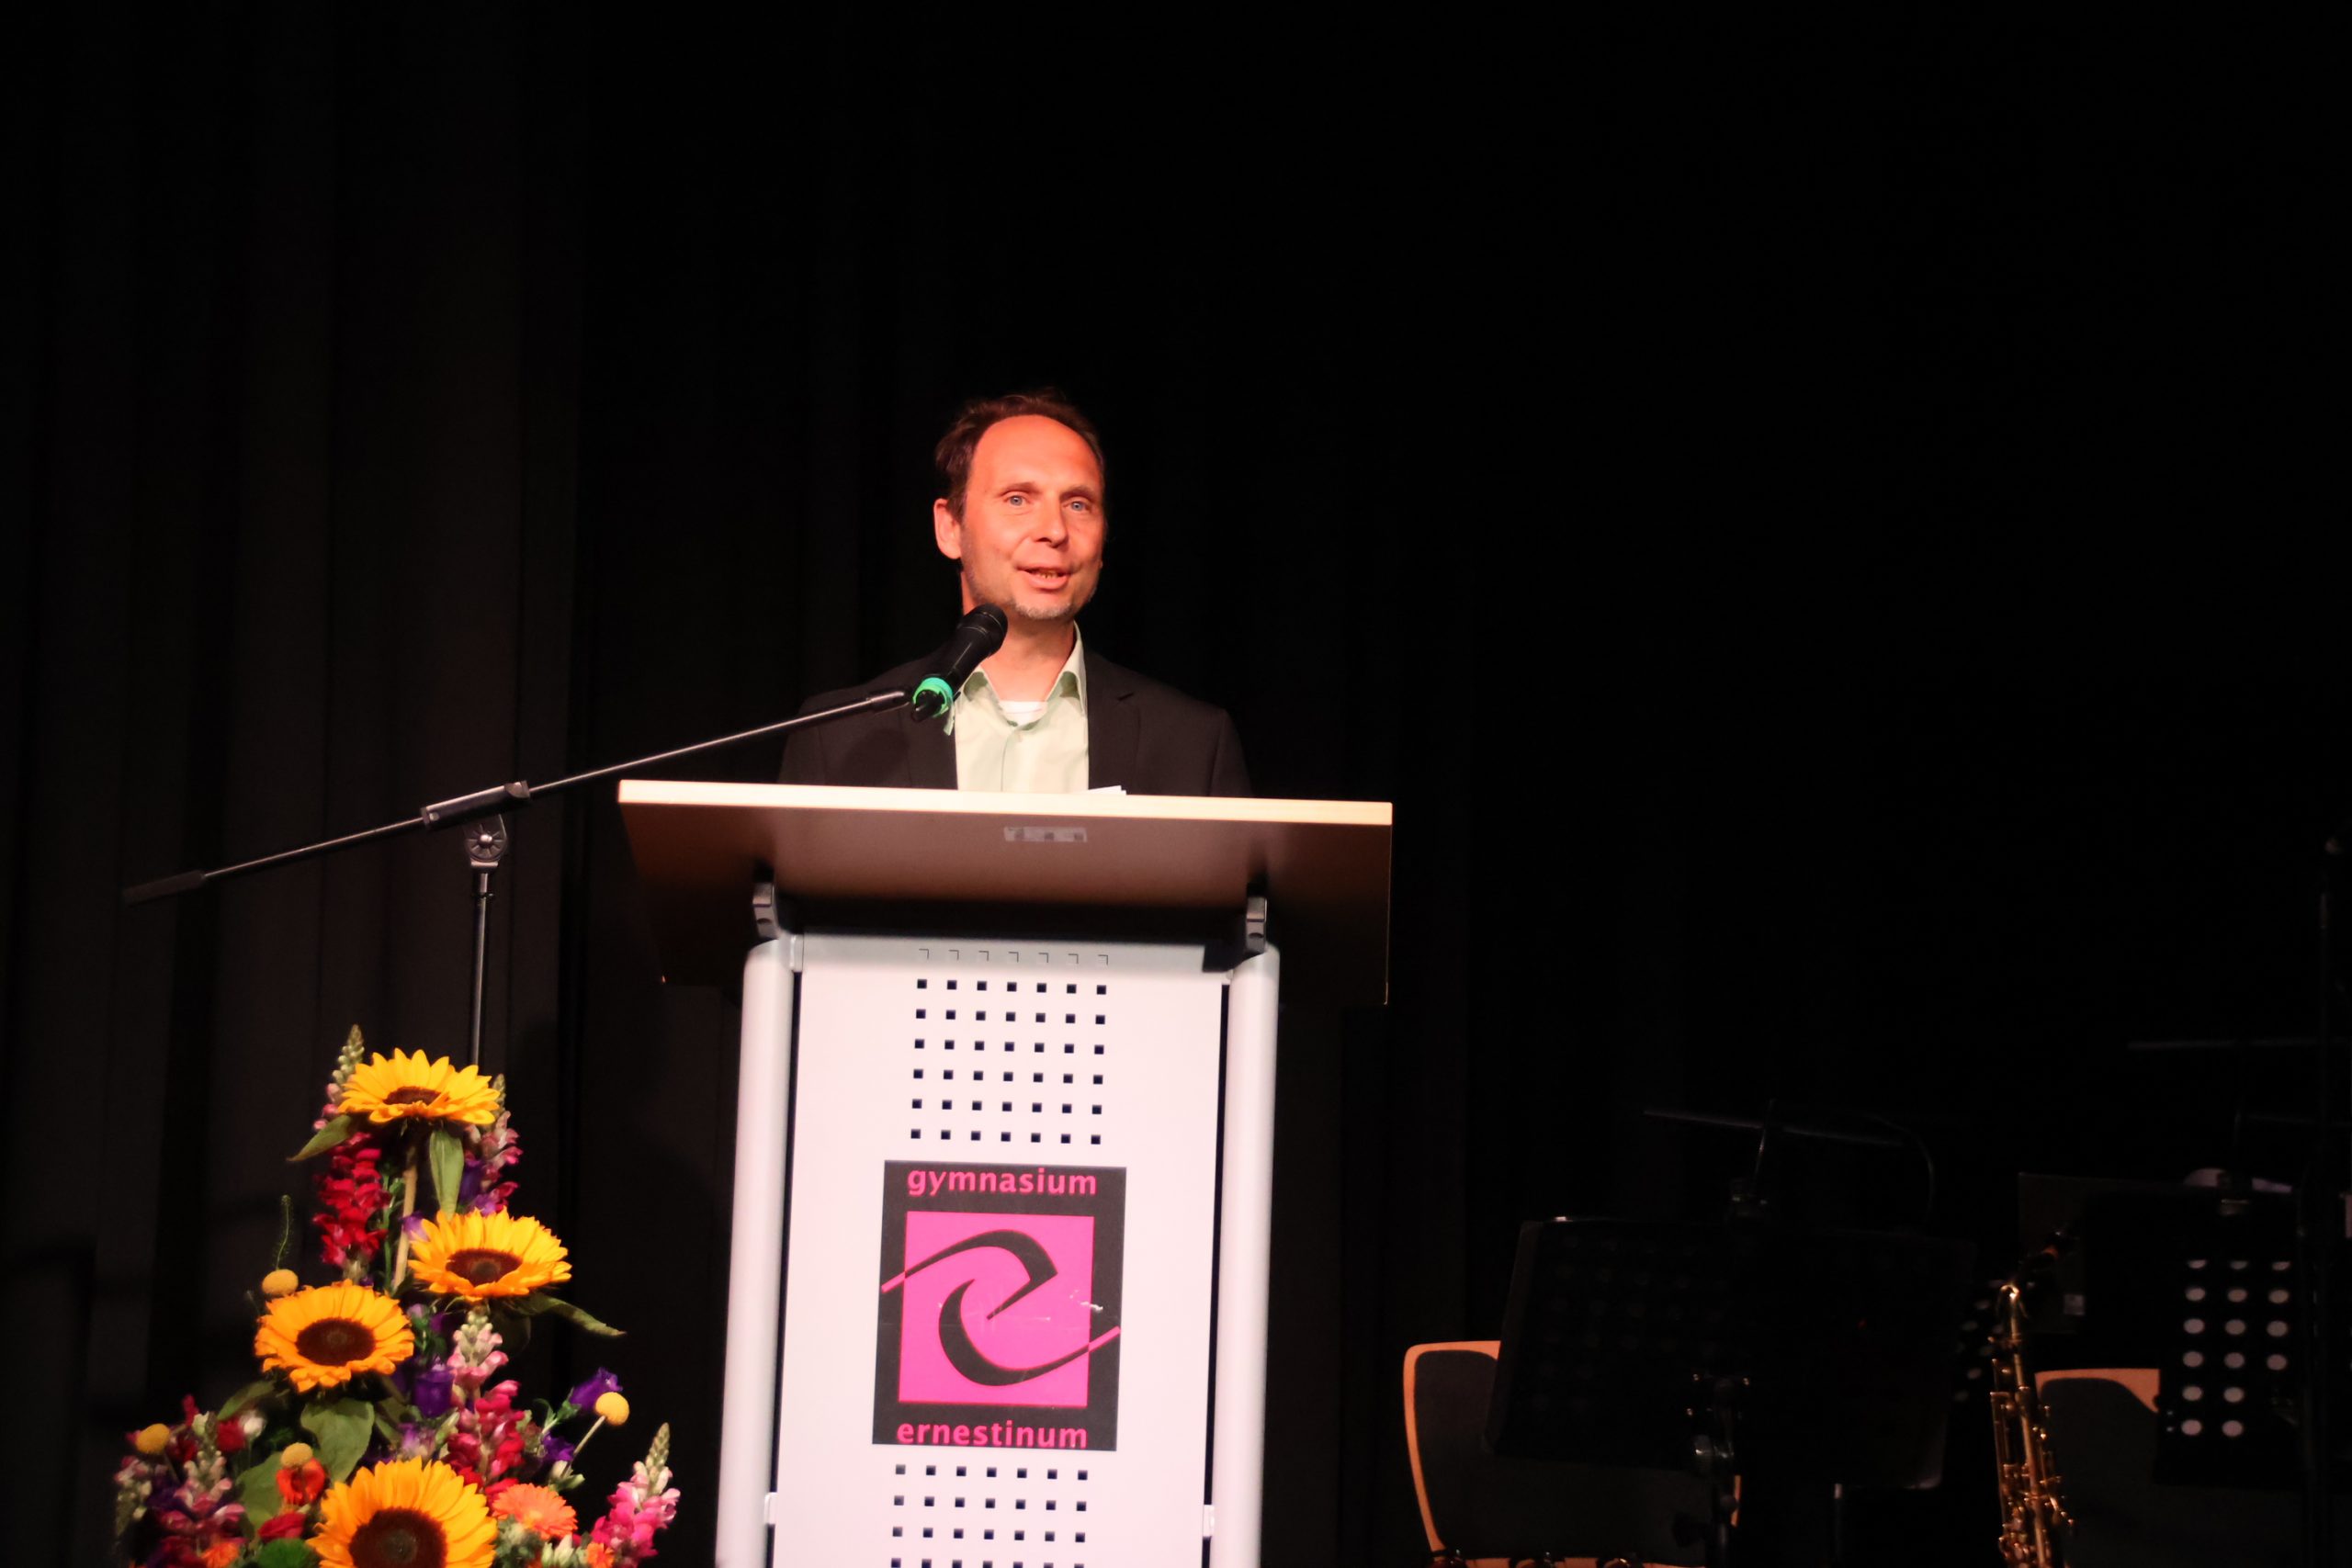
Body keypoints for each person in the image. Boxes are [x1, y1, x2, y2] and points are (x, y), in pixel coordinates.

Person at [780, 390, 1250, 795]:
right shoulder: (840, 737)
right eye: (1018, 499)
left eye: (1078, 504)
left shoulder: (1194, 744)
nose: (1054, 530)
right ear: (950, 528)